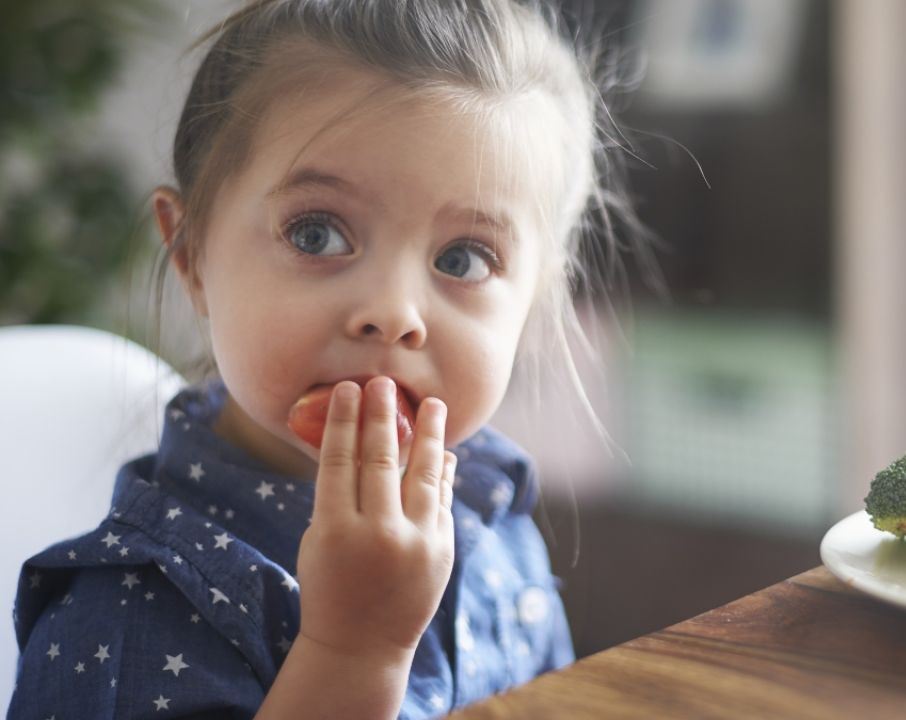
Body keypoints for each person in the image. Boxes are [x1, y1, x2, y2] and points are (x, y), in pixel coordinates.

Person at [8, 0, 632, 716]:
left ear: (535, 297)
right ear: (193, 257)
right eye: (316, 235)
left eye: (463, 257)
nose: (394, 314)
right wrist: (353, 653)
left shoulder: (492, 509)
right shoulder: (128, 617)